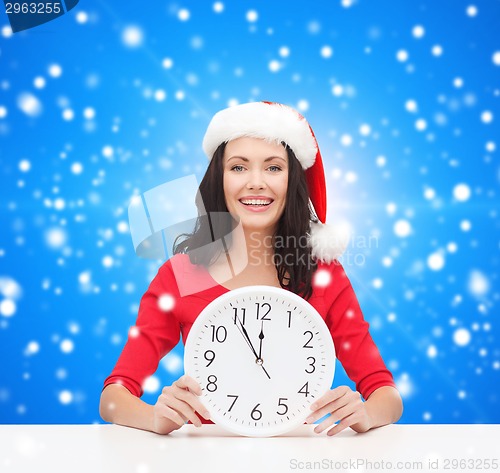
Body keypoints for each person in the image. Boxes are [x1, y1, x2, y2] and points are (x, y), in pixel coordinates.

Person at [99, 101, 403, 436]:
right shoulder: (180, 275)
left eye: (273, 168)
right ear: (220, 180)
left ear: (293, 181)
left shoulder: (324, 275)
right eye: (239, 167)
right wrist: (155, 418)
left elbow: (386, 394)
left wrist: (365, 413)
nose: (256, 182)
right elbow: (113, 397)